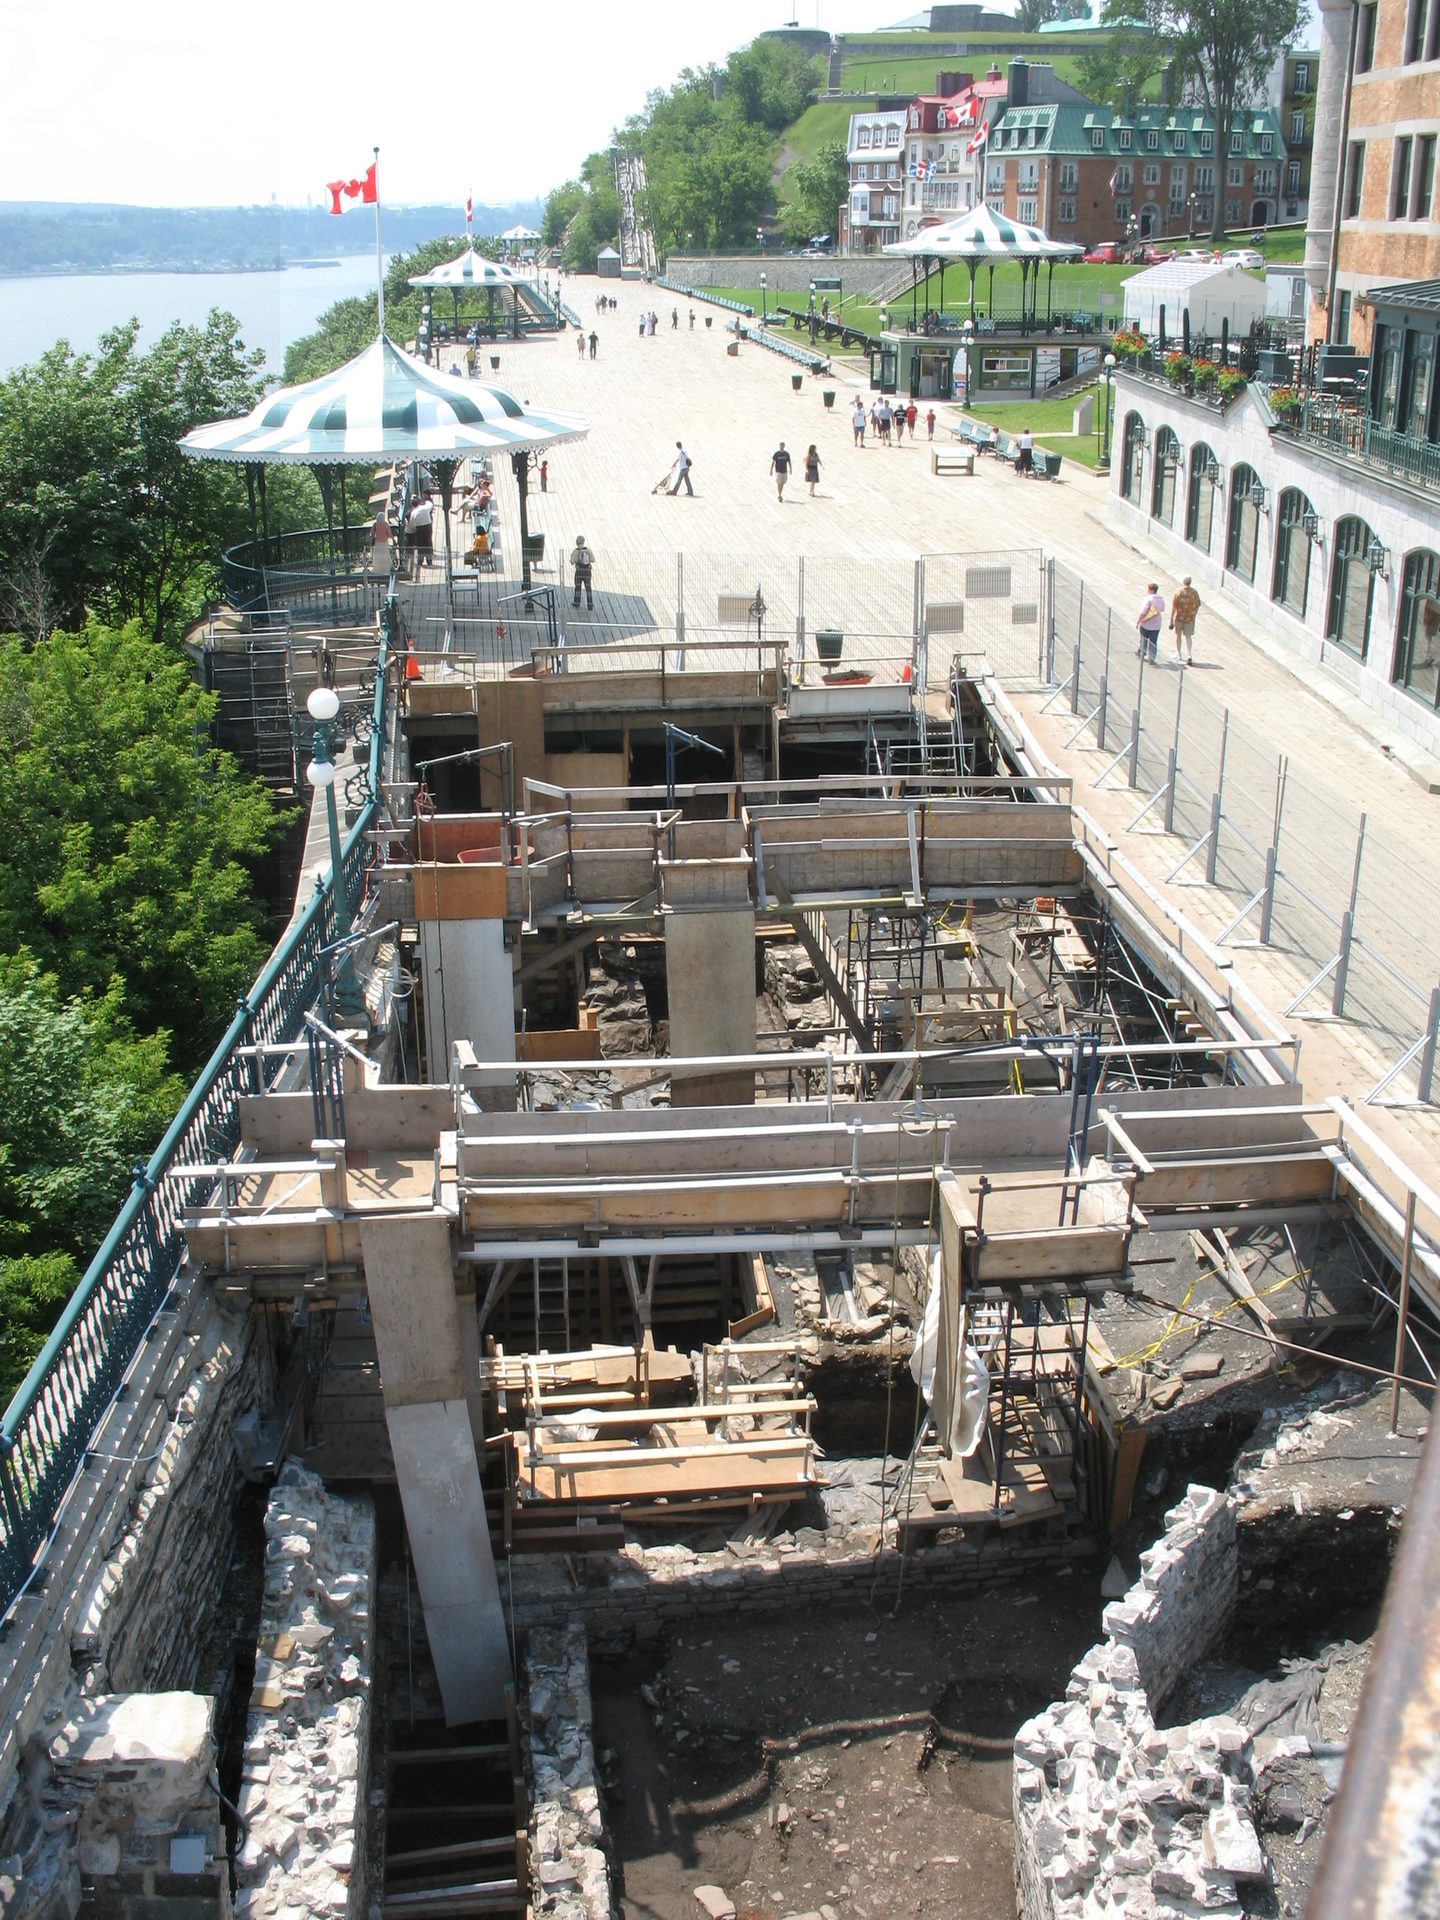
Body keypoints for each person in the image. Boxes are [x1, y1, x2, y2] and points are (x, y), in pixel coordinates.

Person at [1170, 576, 1201, 664]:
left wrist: (1171, 618)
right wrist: (1194, 614)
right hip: (1189, 618)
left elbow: (1174, 606)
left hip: (1179, 617)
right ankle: (1189, 654)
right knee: (1188, 636)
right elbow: (1198, 604)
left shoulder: (1179, 592)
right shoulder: (1194, 592)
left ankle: (1178, 653)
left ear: (1183, 582)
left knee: (1178, 636)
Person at [405, 494, 434, 576]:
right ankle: (429, 560)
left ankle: (420, 561)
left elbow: (412, 525)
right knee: (428, 542)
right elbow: (430, 504)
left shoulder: (413, 513)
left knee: (420, 544)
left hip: (420, 528)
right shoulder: (424, 508)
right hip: (428, 526)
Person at [1136, 582, 1165, 663]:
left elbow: (1143, 612)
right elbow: (1162, 609)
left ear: (1151, 590)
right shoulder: (1161, 598)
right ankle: (1152, 658)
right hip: (1156, 624)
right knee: (1153, 641)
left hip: (1146, 623)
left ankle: (1142, 652)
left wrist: (1138, 621)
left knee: (1143, 639)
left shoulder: (1148, 599)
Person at [570, 535, 595, 610]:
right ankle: (590, 604)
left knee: (578, 587)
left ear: (577, 542)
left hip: (579, 571)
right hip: (587, 571)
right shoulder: (588, 550)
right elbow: (593, 560)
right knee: (588, 587)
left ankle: (577, 602)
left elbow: (572, 562)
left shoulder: (576, 551)